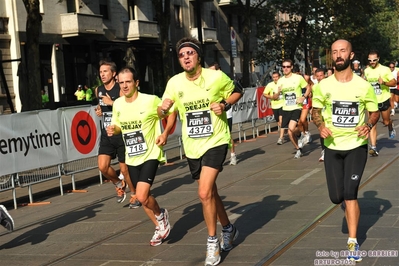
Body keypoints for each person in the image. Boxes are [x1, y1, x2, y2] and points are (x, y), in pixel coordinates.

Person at [159, 37, 242, 266]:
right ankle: (228, 228)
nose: (186, 57)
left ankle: (212, 242)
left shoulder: (215, 77)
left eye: (190, 53)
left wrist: (224, 105)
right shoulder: (174, 83)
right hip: (193, 145)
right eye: (181, 54)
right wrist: (162, 109)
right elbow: (162, 108)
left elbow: (238, 90)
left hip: (216, 140)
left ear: (198, 56)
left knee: (204, 193)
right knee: (211, 192)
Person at [312, 39, 379, 262]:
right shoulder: (323, 85)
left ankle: (352, 242)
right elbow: (316, 111)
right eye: (334, 52)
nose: (338, 55)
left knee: (350, 194)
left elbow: (374, 112)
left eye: (343, 51)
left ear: (351, 55)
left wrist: (368, 125)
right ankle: (345, 204)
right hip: (332, 146)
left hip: (356, 146)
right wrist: (320, 126)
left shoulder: (363, 85)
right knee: (336, 197)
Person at [107, 67, 174, 246]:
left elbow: (165, 113)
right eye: (121, 82)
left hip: (150, 153)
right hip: (132, 157)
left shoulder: (150, 100)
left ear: (136, 83)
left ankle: (161, 216)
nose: (124, 85)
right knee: (142, 198)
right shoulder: (118, 104)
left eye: (128, 81)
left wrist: (165, 131)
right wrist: (114, 129)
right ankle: (159, 228)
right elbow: (118, 125)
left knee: (142, 196)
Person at [95, 60, 140, 208]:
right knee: (102, 167)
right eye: (101, 72)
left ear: (114, 74)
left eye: (105, 71)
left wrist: (111, 103)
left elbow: (126, 108)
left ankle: (134, 194)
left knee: (125, 169)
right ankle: (119, 183)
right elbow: (103, 109)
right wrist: (100, 110)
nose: (102, 74)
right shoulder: (98, 90)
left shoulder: (120, 89)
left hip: (120, 133)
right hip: (106, 133)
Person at [364, 50, 397, 156]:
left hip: (383, 99)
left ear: (378, 59)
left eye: (374, 60)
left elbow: (394, 83)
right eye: (370, 60)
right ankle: (373, 147)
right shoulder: (367, 70)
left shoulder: (385, 69)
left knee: (386, 122)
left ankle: (390, 126)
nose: (372, 62)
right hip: (372, 101)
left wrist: (384, 83)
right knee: (372, 124)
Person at [278, 59, 311, 159]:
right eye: (284, 67)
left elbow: (308, 87)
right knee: (291, 132)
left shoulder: (298, 78)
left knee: (290, 130)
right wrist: (277, 93)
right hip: (285, 108)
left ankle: (300, 135)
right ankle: (298, 147)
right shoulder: (280, 80)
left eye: (288, 66)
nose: (286, 69)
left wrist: (304, 97)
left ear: (291, 67)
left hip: (296, 107)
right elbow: (276, 96)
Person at [209, 62, 237, 165]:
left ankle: (233, 155)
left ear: (219, 70)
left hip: (226, 114)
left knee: (228, 135)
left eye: (213, 71)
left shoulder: (223, 80)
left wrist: (223, 105)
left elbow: (235, 93)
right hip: (212, 116)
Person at [263, 71, 285, 144]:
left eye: (277, 77)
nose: (275, 79)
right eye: (274, 77)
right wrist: (272, 97)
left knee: (281, 121)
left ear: (279, 77)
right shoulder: (270, 85)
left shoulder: (283, 83)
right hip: (274, 105)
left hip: (283, 104)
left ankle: (280, 138)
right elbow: (265, 94)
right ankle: (284, 129)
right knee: (278, 122)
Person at [311, 68, 327, 161]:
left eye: (321, 75)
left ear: (324, 75)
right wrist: (313, 109)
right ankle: (324, 150)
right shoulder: (315, 87)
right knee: (322, 130)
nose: (320, 78)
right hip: (320, 111)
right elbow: (315, 99)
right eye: (318, 76)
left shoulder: (330, 85)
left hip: (329, 111)